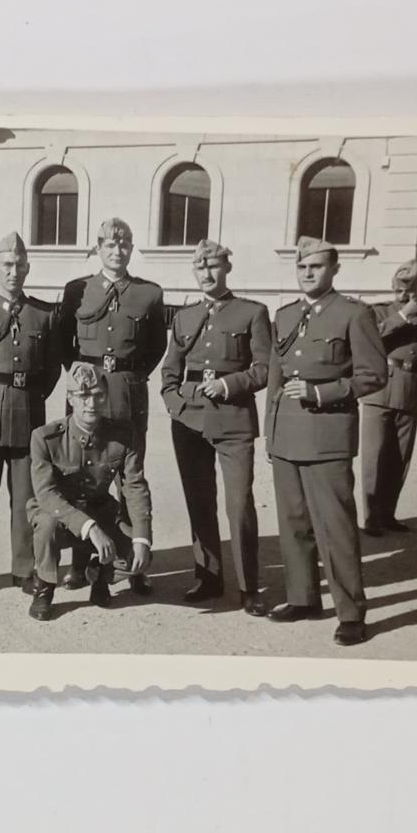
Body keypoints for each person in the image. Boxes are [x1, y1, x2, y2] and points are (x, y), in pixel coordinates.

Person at [264, 236, 388, 646]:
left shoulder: (353, 314)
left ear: (334, 269)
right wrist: (271, 435)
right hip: (287, 437)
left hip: (328, 436)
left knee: (335, 528)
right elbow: (276, 381)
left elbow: (374, 375)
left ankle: (351, 612)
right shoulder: (284, 316)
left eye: (316, 266)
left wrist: (322, 393)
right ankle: (303, 598)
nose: (308, 273)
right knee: (293, 523)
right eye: (302, 267)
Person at [160, 240, 271, 614]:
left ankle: (248, 585)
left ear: (227, 268)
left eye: (214, 267)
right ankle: (208, 576)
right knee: (199, 502)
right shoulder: (184, 317)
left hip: (234, 418)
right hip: (189, 421)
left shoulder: (252, 313)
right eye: (200, 269)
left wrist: (227, 385)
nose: (206, 275)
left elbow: (264, 369)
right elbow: (170, 371)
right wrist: (176, 406)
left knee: (239, 504)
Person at [58, 217, 166, 594]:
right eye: (109, 245)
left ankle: (131, 562)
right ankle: (78, 562)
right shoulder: (78, 290)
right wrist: (80, 379)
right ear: (98, 249)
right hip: (87, 390)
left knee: (127, 475)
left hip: (128, 391)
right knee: (79, 472)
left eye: (124, 245)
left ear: (131, 249)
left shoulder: (148, 294)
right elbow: (63, 342)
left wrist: (129, 373)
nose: (117, 251)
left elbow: (155, 347)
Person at [0, 232, 61, 596]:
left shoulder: (44, 314)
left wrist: (28, 395)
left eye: (19, 265)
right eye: (6, 265)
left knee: (26, 499)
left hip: (29, 412)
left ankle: (24, 569)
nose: (13, 272)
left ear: (28, 268)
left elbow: (50, 370)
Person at [26, 362, 153, 621]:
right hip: (60, 513)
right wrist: (91, 528)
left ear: (106, 396)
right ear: (71, 398)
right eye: (83, 396)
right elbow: (47, 494)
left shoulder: (123, 435)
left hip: (100, 508)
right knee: (47, 524)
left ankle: (99, 574)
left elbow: (135, 487)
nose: (91, 404)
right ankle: (45, 587)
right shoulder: (45, 438)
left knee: (137, 558)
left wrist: (142, 539)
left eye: (98, 395)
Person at [360, 260, 417, 536]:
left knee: (400, 458)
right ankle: (371, 518)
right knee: (374, 457)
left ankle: (387, 514)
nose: (402, 296)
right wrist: (404, 315)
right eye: (397, 291)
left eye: (408, 292)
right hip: (379, 390)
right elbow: (369, 340)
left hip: (410, 391)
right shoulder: (377, 312)